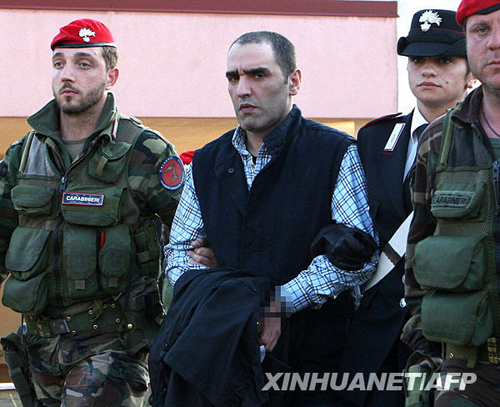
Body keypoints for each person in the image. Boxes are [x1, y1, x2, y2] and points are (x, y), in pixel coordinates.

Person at [150, 31, 378, 407]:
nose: (243, 89)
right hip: (224, 362)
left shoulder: (335, 152)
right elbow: (179, 253)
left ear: (293, 81)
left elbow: (357, 255)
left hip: (315, 366)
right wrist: (236, 305)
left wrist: (277, 303)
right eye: (233, 77)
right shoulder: (206, 162)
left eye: (258, 75)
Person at [0, 18, 184, 406]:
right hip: (38, 346)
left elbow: (189, 240)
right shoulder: (22, 155)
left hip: (112, 343)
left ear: (111, 76)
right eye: (59, 64)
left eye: (84, 63)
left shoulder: (143, 151)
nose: (67, 74)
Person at [337, 9, 473, 407]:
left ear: (471, 72)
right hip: (374, 336)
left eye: (444, 60)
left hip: (451, 337)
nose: (427, 70)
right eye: (417, 60)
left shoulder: (486, 145)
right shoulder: (374, 139)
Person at [403, 1, 500, 406]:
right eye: (481, 30)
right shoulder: (438, 141)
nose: (495, 43)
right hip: (468, 369)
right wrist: (427, 351)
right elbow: (418, 256)